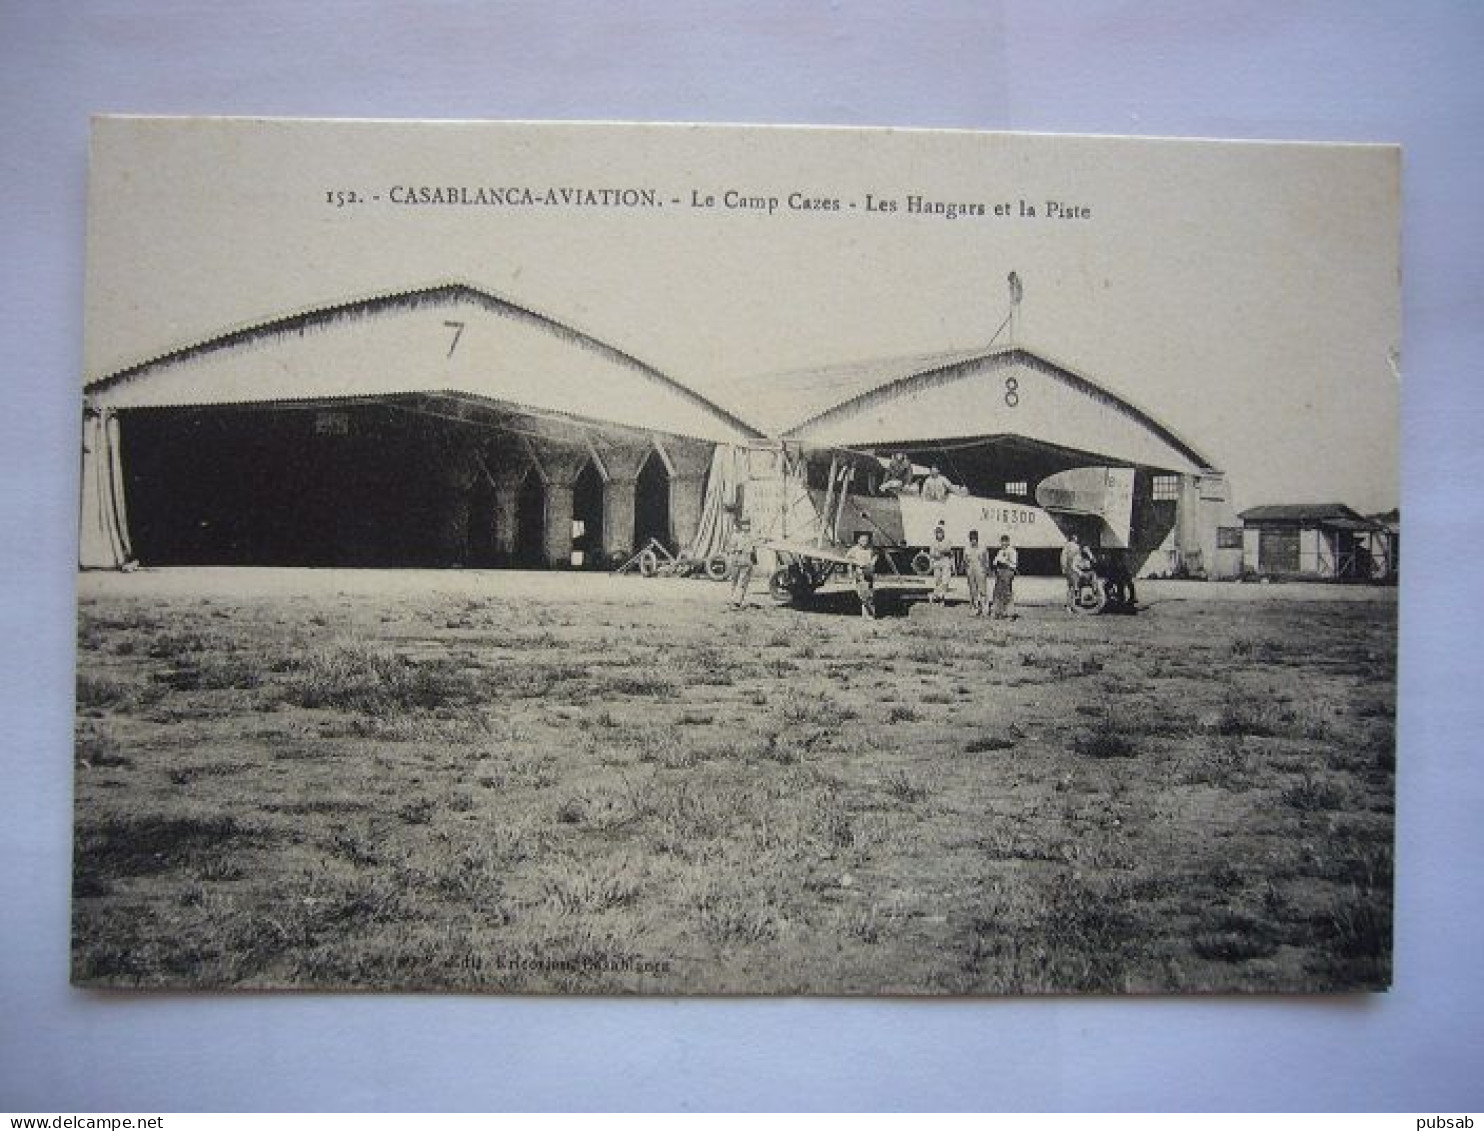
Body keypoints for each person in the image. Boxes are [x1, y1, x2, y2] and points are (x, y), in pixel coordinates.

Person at [844, 530, 878, 620]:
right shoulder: (854, 549)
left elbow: (875, 556)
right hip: (859, 573)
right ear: (858, 540)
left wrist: (872, 562)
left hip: (868, 573)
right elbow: (847, 558)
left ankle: (869, 615)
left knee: (869, 594)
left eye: (866, 540)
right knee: (863, 595)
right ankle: (867, 615)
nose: (865, 542)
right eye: (862, 540)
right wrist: (852, 568)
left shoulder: (870, 549)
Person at [725, 520, 757, 609]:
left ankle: (738, 601)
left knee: (743, 582)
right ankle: (732, 599)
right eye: (744, 524)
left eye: (748, 524)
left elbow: (754, 550)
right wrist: (733, 553)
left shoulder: (752, 537)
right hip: (737, 559)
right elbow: (729, 547)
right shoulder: (736, 536)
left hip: (747, 560)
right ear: (741, 526)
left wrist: (754, 560)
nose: (746, 527)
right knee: (734, 580)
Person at [991, 534, 1018, 619]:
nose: (1003, 544)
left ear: (1008, 542)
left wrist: (1004, 563)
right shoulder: (1000, 551)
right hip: (999, 572)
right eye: (1002, 542)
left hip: (1008, 572)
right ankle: (998, 612)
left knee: (1007, 593)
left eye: (1005, 542)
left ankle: (1010, 613)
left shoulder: (1012, 551)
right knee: (998, 592)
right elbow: (995, 561)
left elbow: (1014, 564)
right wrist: (997, 565)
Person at [928, 522, 954, 605]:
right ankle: (936, 596)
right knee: (938, 580)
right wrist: (937, 554)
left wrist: (940, 551)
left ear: (943, 533)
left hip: (945, 561)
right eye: (937, 533)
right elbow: (932, 553)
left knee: (945, 580)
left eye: (940, 533)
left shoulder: (947, 540)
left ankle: (941, 597)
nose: (939, 535)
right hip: (937, 562)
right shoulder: (933, 542)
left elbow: (948, 549)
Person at [964, 529, 989, 617]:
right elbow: (966, 559)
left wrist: (985, 570)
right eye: (971, 538)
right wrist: (968, 570)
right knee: (973, 590)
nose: (973, 540)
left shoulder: (982, 547)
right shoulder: (967, 547)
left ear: (977, 538)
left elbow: (985, 559)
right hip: (971, 569)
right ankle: (975, 609)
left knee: (982, 590)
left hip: (980, 569)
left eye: (974, 538)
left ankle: (985, 608)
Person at [1060, 532, 1084, 612]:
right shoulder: (1073, 546)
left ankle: (1071, 605)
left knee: (1071, 587)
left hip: (1070, 569)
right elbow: (1074, 559)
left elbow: (1063, 558)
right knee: (1074, 587)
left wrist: (1063, 568)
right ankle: (1071, 605)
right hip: (1072, 569)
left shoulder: (1067, 546)